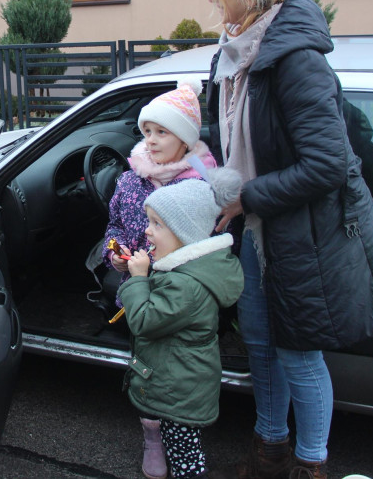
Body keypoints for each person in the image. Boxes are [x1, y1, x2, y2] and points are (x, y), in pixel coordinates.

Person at [203, 0, 373, 479]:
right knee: (261, 347)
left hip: (302, 234)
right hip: (253, 231)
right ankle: (269, 450)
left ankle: (310, 466)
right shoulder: (229, 57)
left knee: (298, 355)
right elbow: (227, 137)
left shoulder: (297, 60)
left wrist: (247, 195)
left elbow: (327, 165)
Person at [101, 78, 218, 479]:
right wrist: (115, 253)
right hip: (136, 290)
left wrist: (154, 268)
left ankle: (179, 438)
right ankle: (152, 437)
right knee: (144, 367)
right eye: (147, 131)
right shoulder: (131, 177)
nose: (150, 140)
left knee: (176, 375)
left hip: (175, 299)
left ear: (184, 139)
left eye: (161, 132)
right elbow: (115, 224)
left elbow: (209, 246)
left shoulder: (200, 183)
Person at [117, 178, 242, 479]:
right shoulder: (187, 271)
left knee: (186, 458)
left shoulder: (185, 284)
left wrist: (137, 279)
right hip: (181, 383)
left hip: (179, 391)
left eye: (157, 224)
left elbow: (144, 320)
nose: (147, 230)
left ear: (184, 233)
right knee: (182, 448)